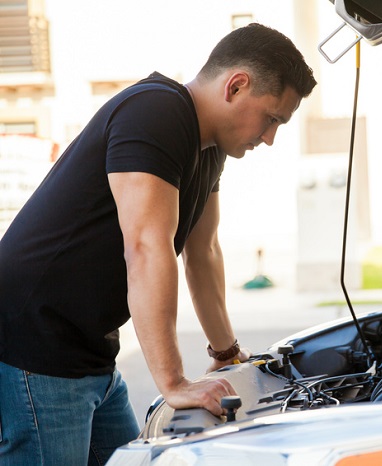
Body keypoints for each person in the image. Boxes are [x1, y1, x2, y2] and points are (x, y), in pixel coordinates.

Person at [0, 22, 316, 465]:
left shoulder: (210, 149)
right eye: (272, 118)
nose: (270, 137)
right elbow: (147, 247)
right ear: (236, 85)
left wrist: (226, 354)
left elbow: (202, 253)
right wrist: (174, 382)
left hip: (89, 349)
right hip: (38, 346)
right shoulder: (157, 112)